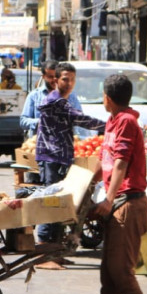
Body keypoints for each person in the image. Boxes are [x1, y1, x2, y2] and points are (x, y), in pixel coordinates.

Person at [79, 74, 147, 294]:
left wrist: (109, 199)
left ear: (107, 98)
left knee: (121, 269)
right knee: (108, 270)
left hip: (129, 204)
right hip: (119, 202)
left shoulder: (126, 121)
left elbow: (122, 163)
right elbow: (108, 162)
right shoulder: (114, 121)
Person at [34, 62, 105, 245]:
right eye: (65, 79)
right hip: (52, 157)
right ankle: (44, 247)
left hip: (61, 156)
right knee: (52, 201)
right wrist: (108, 125)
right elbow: (79, 118)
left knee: (59, 201)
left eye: (73, 80)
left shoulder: (62, 100)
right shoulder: (55, 101)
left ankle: (55, 250)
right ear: (56, 80)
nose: (70, 83)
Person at [19, 61, 81, 138]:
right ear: (43, 76)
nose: (54, 80)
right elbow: (23, 121)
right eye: (50, 77)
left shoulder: (71, 96)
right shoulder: (34, 96)